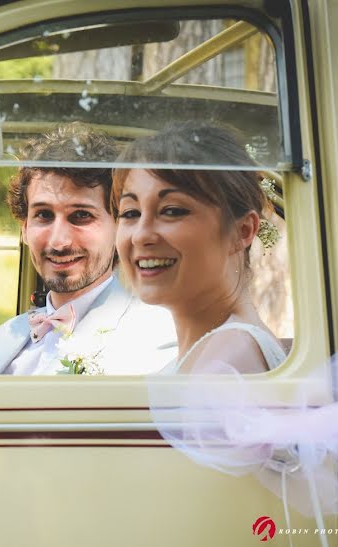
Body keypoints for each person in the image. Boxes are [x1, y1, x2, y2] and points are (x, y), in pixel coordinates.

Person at [0, 123, 175, 375]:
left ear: (119, 226)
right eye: (43, 215)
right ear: (24, 228)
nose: (59, 242)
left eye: (81, 216)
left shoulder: (157, 341)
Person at [112, 122, 286, 374]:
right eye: (130, 213)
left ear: (243, 231)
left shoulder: (225, 361)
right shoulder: (221, 348)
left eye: (171, 211)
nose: (140, 236)